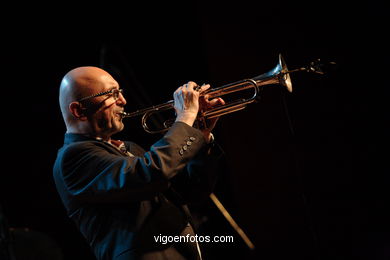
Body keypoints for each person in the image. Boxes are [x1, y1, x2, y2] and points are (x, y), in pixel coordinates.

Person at [53, 66, 225, 260]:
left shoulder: (130, 149)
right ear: (78, 110)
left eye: (120, 92)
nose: (123, 101)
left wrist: (201, 135)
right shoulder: (74, 158)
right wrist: (185, 118)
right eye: (111, 93)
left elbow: (191, 191)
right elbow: (152, 173)